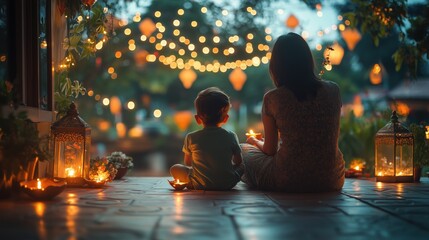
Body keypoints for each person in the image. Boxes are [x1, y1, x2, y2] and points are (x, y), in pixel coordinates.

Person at [242, 32, 345, 192]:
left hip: (287, 179)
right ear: (307, 59)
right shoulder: (333, 90)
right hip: (332, 179)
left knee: (243, 150)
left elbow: (270, 150)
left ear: (276, 65)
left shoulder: (273, 98)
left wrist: (255, 142)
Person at [170, 87, 244, 190]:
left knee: (175, 168)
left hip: (199, 183)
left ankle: (191, 183)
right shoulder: (231, 135)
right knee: (243, 166)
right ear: (226, 118)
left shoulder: (191, 137)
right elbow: (238, 161)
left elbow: (188, 163)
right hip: (227, 183)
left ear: (197, 119)